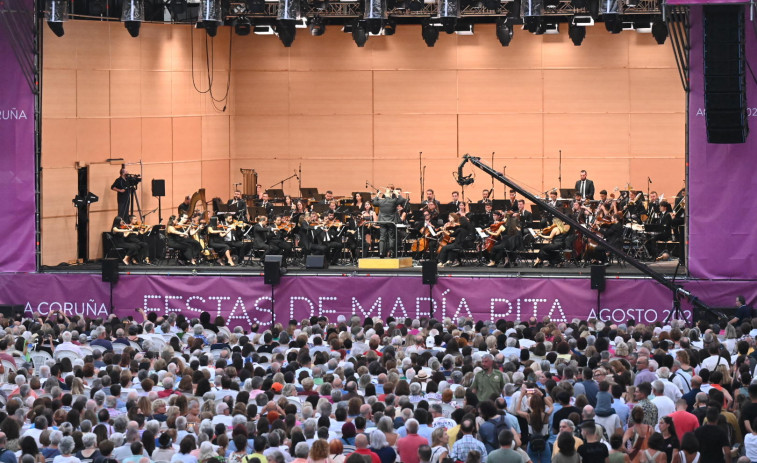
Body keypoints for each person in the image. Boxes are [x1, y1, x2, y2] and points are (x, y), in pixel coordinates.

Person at [372, 188, 407, 258]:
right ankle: (391, 252)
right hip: (391, 221)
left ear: (384, 195)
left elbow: (374, 202)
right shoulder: (393, 201)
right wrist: (397, 194)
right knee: (391, 237)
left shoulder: (381, 201)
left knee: (382, 237)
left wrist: (378, 194)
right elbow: (402, 200)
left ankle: (381, 252)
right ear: (390, 195)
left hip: (382, 221)